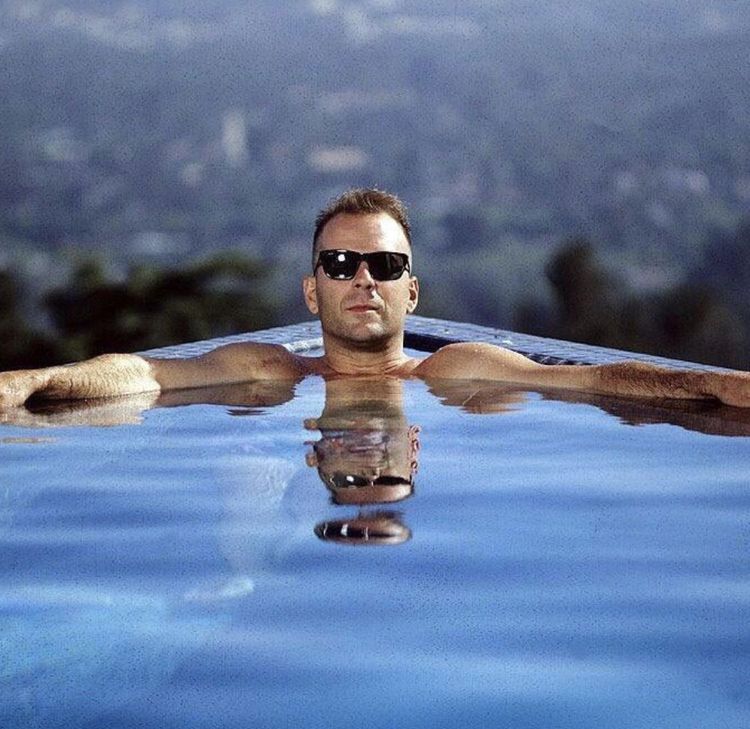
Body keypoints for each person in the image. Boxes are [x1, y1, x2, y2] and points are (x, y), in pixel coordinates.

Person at [2, 187, 750, 408]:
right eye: (341, 262)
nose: (364, 278)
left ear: (411, 291)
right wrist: (28, 383)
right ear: (312, 289)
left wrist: (719, 386)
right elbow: (145, 373)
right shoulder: (269, 371)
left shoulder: (458, 371)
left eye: (385, 264)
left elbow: (594, 379)